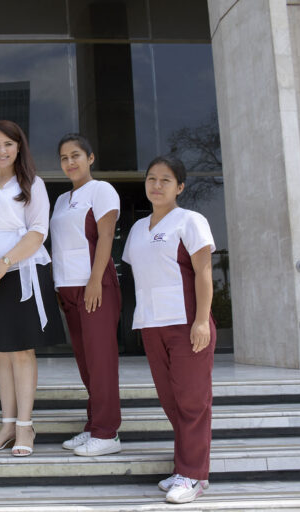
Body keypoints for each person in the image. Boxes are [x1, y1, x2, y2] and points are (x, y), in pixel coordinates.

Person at [0, 120, 63, 457]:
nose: (1, 150)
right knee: (1, 353)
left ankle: (25, 427)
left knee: (21, 351)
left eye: (8, 144)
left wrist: (3, 264)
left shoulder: (32, 184)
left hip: (21, 272)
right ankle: (7, 424)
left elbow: (37, 233)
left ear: (19, 146)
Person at [122, 155, 215, 504]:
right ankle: (184, 467)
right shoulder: (136, 229)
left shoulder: (190, 221)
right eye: (151, 179)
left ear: (180, 187)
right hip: (151, 324)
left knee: (192, 401)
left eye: (165, 180)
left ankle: (193, 475)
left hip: (186, 323)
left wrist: (202, 320)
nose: (156, 185)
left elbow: (204, 273)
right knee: (170, 400)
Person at [49, 134, 122, 457]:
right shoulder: (62, 200)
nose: (70, 163)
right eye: (64, 158)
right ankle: (94, 425)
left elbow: (106, 237)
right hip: (67, 288)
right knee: (85, 361)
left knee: (101, 360)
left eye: (76, 155)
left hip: (95, 285)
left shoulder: (101, 190)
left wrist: (95, 280)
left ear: (90, 158)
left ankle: (107, 433)